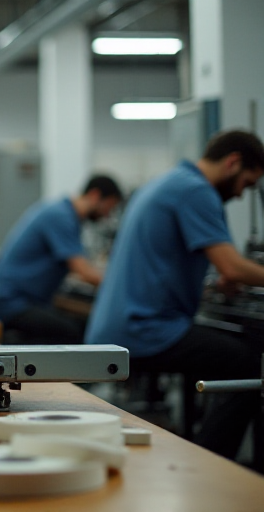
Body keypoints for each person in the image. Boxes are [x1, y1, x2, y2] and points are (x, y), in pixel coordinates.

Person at [85, 130, 264, 459]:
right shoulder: (197, 191)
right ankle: (213, 465)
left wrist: (214, 284)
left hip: (120, 327)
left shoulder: (168, 182)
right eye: (247, 183)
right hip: (143, 331)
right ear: (233, 162)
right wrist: (232, 275)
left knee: (232, 355)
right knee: (248, 367)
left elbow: (174, 265)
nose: (241, 195)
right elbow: (233, 267)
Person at [0, 175, 122, 344]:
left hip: (25, 302)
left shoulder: (64, 214)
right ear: (94, 195)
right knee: (73, 332)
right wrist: (122, 285)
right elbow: (83, 270)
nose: (107, 215)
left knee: (81, 324)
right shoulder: (61, 216)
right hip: (11, 304)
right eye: (109, 207)